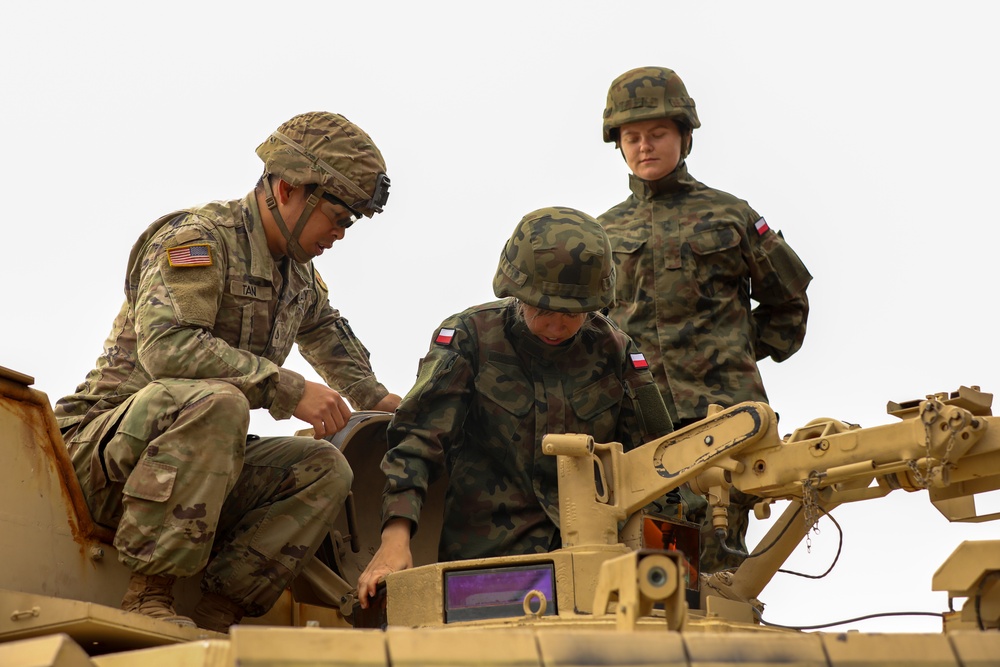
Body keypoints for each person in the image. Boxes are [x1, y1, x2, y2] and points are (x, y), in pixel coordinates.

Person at [54, 111, 402, 632]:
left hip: (194, 466)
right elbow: (167, 348)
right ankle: (149, 592)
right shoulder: (199, 239)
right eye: (338, 215)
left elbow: (335, 345)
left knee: (324, 468)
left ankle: (220, 612)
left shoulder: (300, 277)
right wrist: (288, 388)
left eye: (351, 221)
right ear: (288, 189)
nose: (341, 232)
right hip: (99, 457)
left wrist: (391, 405)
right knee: (221, 402)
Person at [357, 206, 674, 608]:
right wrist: (394, 540)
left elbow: (659, 463)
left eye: (573, 313)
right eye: (543, 309)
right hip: (486, 571)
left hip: (596, 573)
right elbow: (417, 443)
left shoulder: (615, 351)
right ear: (516, 292)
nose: (557, 326)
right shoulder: (471, 338)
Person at [599, 67, 813, 572]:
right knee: (644, 566)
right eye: (632, 137)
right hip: (638, 428)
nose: (644, 146)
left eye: (657, 134)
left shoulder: (730, 215)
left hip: (724, 423)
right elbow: (588, 334)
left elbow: (790, 303)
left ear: (685, 136)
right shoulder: (601, 232)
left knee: (716, 568)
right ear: (619, 146)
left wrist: (734, 350)